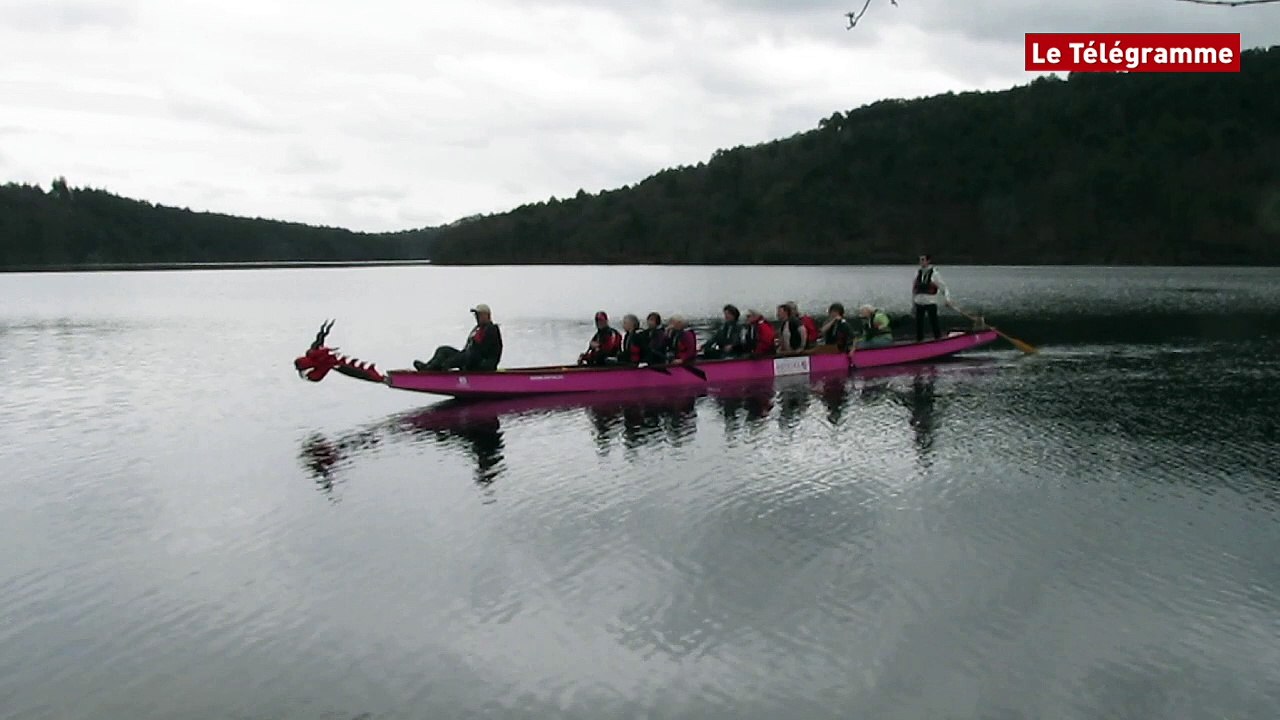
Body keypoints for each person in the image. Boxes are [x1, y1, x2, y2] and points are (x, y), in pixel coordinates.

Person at [414, 304, 503, 371]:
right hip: (469, 359)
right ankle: (429, 368)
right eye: (476, 315)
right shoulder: (477, 329)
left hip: (483, 364)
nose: (476, 317)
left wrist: (454, 361)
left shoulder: (492, 329)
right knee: (443, 350)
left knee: (467, 355)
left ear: (486, 315)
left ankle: (443, 367)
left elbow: (482, 350)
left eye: (478, 315)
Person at [912, 254, 952, 341]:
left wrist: (947, 299)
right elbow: (914, 290)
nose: (921, 262)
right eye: (920, 260)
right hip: (919, 303)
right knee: (919, 324)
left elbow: (944, 288)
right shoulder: (917, 273)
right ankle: (919, 341)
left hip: (930, 302)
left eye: (923, 260)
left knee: (934, 322)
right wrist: (913, 304)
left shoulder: (934, 274)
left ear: (928, 261)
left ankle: (938, 339)